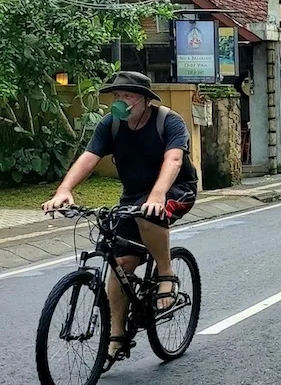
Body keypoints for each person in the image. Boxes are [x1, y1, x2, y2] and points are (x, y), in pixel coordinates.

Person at [42, 71, 197, 368]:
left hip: (175, 188)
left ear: (144, 100)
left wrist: (157, 196)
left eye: (127, 96)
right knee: (120, 263)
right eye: (117, 96)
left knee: (148, 215)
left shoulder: (168, 121)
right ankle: (116, 338)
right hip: (134, 195)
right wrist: (64, 190)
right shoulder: (111, 125)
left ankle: (165, 275)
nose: (121, 101)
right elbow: (89, 157)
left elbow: (174, 160)